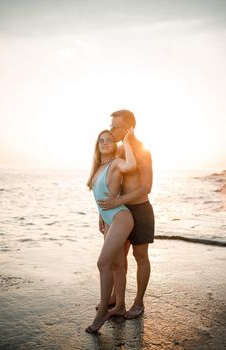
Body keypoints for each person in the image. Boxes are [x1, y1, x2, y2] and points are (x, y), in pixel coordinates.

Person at [97, 109, 155, 319]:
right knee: (118, 257)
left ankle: (138, 303)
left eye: (115, 126)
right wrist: (104, 212)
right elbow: (111, 183)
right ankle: (115, 298)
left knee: (140, 256)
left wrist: (117, 202)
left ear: (129, 127)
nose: (111, 130)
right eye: (110, 125)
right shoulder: (118, 151)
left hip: (140, 210)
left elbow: (146, 187)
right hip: (119, 211)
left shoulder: (143, 151)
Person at [86, 128, 136, 333]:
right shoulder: (98, 167)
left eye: (109, 140)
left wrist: (127, 141)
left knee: (102, 263)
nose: (105, 143)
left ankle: (102, 315)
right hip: (108, 219)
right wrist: (101, 216)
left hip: (121, 218)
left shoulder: (115, 163)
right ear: (97, 146)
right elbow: (101, 197)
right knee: (116, 265)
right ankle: (120, 306)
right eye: (101, 141)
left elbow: (131, 165)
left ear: (114, 145)